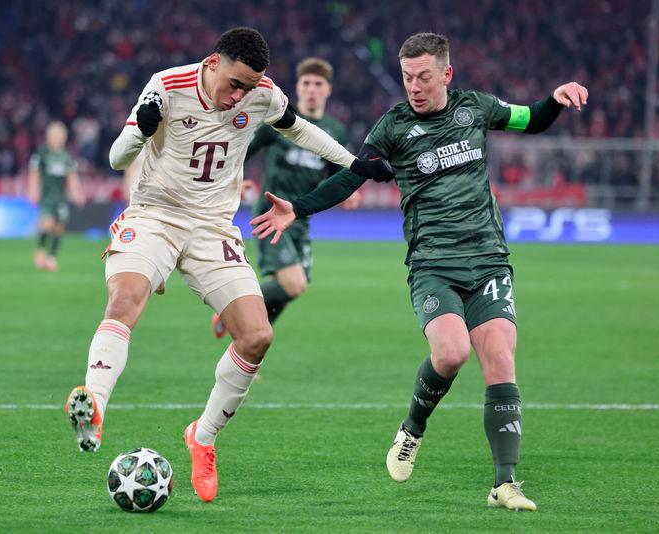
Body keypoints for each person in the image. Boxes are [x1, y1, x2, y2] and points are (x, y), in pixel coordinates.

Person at [251, 32, 588, 512]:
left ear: (446, 74)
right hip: (432, 263)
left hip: (489, 258)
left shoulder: (477, 108)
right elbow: (353, 174)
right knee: (451, 354)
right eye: (408, 77)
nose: (414, 86)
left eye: (424, 77)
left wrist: (554, 99)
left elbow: (529, 119)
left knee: (499, 358)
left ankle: (505, 483)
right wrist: (297, 209)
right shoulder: (392, 127)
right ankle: (412, 429)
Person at [64, 27, 391, 504]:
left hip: (213, 228)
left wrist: (355, 164)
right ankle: (94, 404)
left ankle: (204, 437)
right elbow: (117, 158)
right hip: (155, 215)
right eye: (234, 83)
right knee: (125, 299)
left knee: (258, 335)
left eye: (250, 85)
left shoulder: (260, 94)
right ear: (213, 62)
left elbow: (298, 127)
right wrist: (142, 129)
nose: (239, 95)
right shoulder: (166, 86)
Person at [212, 57, 361, 338]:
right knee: (293, 284)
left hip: (300, 219)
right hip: (270, 215)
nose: (312, 89)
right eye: (306, 83)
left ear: (328, 89)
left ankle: (250, 339)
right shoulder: (280, 122)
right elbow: (240, 152)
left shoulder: (334, 130)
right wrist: (236, 179)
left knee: (293, 287)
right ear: (298, 87)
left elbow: (334, 173)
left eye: (318, 84)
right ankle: (230, 310)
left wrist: (349, 193)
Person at [29, 121, 85, 271]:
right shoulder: (42, 154)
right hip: (47, 197)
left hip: (60, 198)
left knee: (59, 227)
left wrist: (77, 194)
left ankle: (51, 258)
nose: (57, 138)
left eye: (60, 136)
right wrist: (32, 191)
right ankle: (40, 250)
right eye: (55, 135)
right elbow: (34, 174)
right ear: (49, 137)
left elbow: (72, 177)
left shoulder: (66, 157)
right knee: (47, 224)